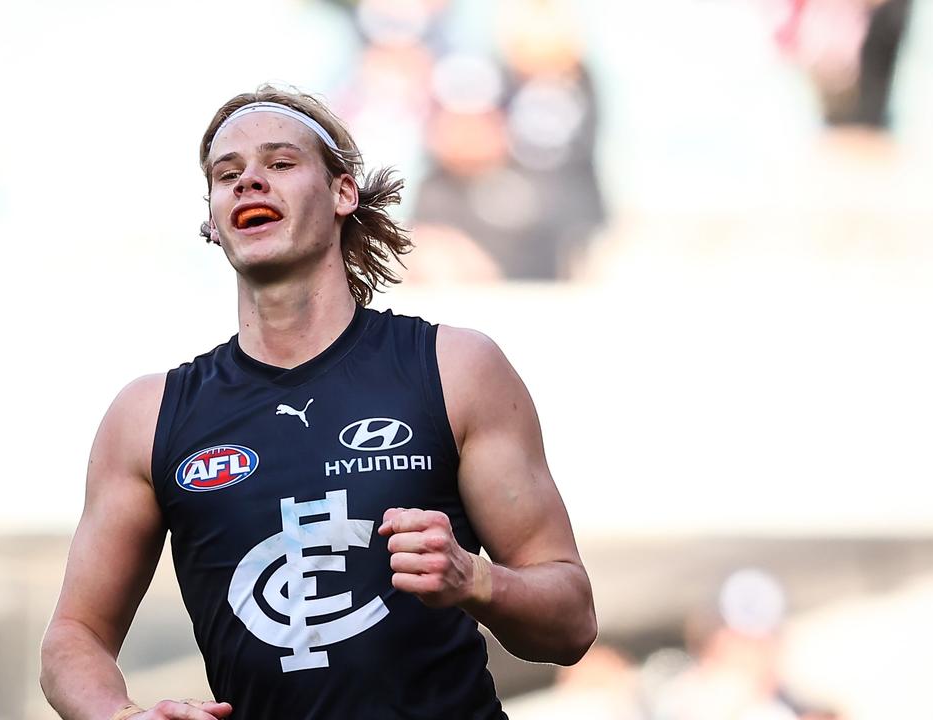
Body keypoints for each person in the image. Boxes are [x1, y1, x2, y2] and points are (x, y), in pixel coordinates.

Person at [40, 86, 597, 720]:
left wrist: (476, 579)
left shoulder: (454, 368)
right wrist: (120, 717)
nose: (250, 181)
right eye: (228, 175)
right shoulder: (148, 416)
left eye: (280, 164)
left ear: (342, 193)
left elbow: (572, 622)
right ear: (214, 219)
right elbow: (71, 639)